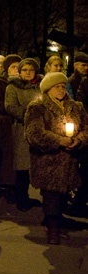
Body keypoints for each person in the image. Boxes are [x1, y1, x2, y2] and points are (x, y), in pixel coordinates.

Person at [24, 72, 88, 244]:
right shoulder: (37, 107)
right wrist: (60, 140)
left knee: (62, 196)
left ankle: (55, 221)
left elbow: (85, 129)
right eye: (56, 87)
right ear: (48, 89)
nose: (61, 90)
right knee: (51, 195)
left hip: (69, 160)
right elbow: (34, 134)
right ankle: (53, 229)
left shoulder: (76, 107)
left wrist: (77, 141)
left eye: (62, 86)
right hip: (48, 161)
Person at [5, 58, 43, 211]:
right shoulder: (13, 87)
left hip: (40, 129)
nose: (28, 73)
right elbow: (10, 107)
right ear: (20, 72)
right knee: (22, 166)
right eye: (25, 70)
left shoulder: (40, 86)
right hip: (22, 129)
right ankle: (21, 198)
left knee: (37, 164)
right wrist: (30, 115)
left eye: (31, 70)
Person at [0, 54, 22, 202]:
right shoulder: (0, 83)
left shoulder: (23, 83)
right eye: (13, 67)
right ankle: (7, 186)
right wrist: (13, 108)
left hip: (20, 124)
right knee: (7, 156)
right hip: (5, 124)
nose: (16, 70)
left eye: (18, 67)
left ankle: (19, 186)